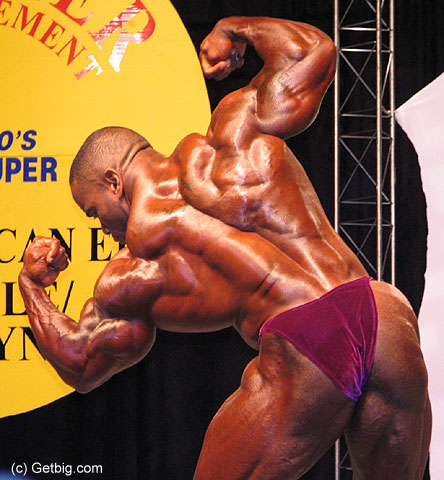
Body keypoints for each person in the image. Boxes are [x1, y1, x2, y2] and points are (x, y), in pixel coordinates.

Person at [19, 17, 431, 480]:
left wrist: (31, 285)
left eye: (94, 212)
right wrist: (233, 30)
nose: (104, 228)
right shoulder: (233, 133)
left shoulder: (136, 263)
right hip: (383, 311)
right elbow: (313, 52)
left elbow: (81, 362)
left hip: (308, 337)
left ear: (114, 183)